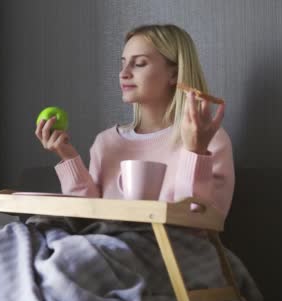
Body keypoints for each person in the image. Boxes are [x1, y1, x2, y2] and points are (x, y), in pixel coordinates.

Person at [35, 24, 235, 216]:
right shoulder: (106, 143)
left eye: (139, 63)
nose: (124, 73)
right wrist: (68, 157)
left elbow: (197, 227)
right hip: (102, 245)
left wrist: (195, 152)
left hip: (166, 249)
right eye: (123, 63)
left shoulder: (209, 139)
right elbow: (85, 221)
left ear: (174, 74)